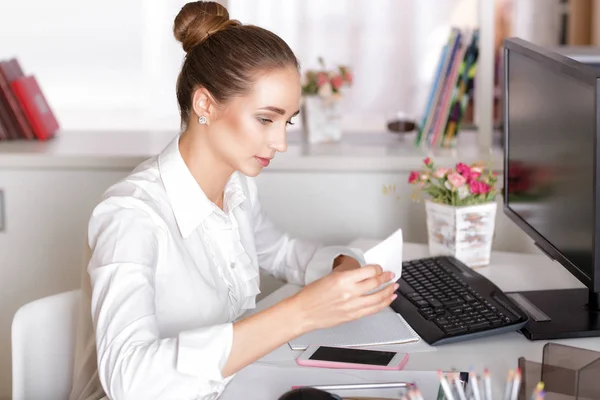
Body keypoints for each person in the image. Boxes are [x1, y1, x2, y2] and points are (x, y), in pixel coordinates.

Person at [68, 2, 398, 399]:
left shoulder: (238, 188)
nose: (281, 142)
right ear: (205, 104)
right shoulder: (130, 216)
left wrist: (339, 267)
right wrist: (303, 312)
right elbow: (131, 380)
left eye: (287, 121)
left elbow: (280, 251)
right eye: (265, 119)